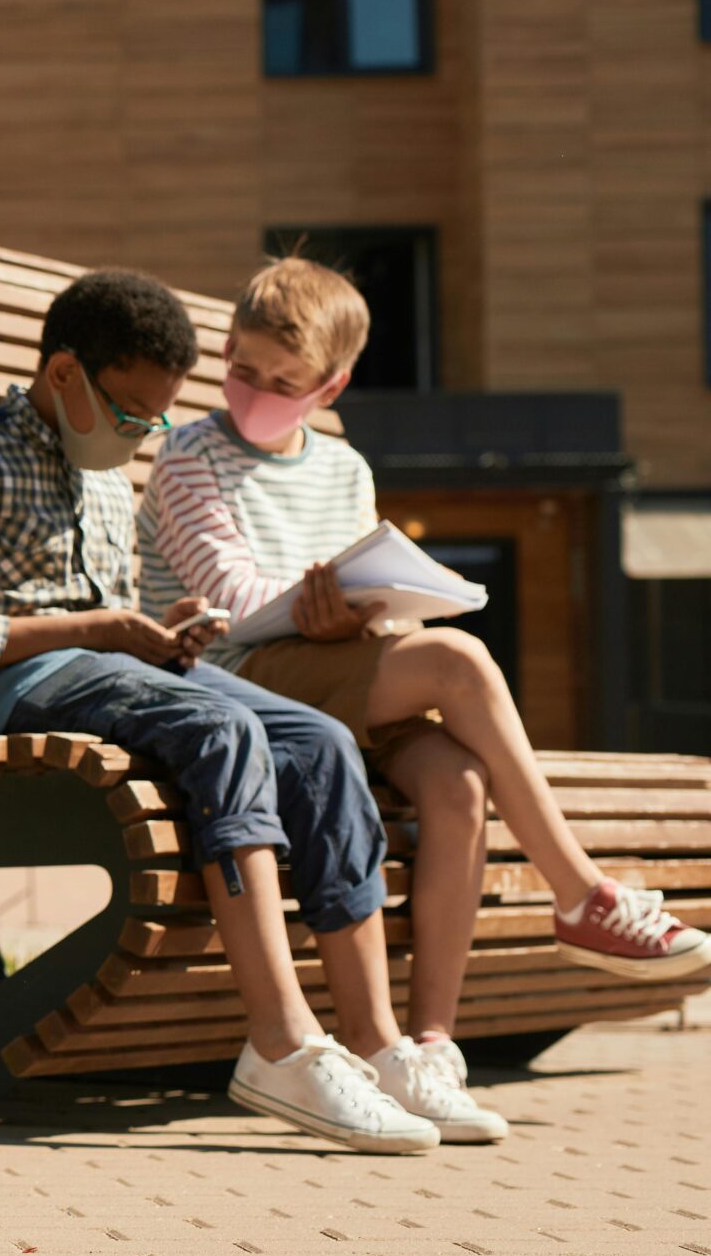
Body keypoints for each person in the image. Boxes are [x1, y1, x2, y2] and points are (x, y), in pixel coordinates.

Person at [140, 258, 710, 1128]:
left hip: (336, 679)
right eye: (242, 368)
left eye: (283, 381)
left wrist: (365, 611)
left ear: (330, 384)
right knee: (461, 663)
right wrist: (329, 611)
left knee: (459, 783)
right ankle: (583, 896)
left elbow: (350, 599)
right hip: (236, 680)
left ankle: (428, 1047)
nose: (254, 389)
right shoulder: (188, 457)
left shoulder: (343, 468)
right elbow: (238, 607)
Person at [0, 268, 446, 1152]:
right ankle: (280, 1041)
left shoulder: (109, 479)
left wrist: (164, 634)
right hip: (9, 697)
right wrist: (96, 627)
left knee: (319, 740)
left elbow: (119, 629)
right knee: (221, 729)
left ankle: (375, 1042)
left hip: (109, 677)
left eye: (158, 417)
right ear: (65, 373)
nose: (145, 433)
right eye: (131, 411)